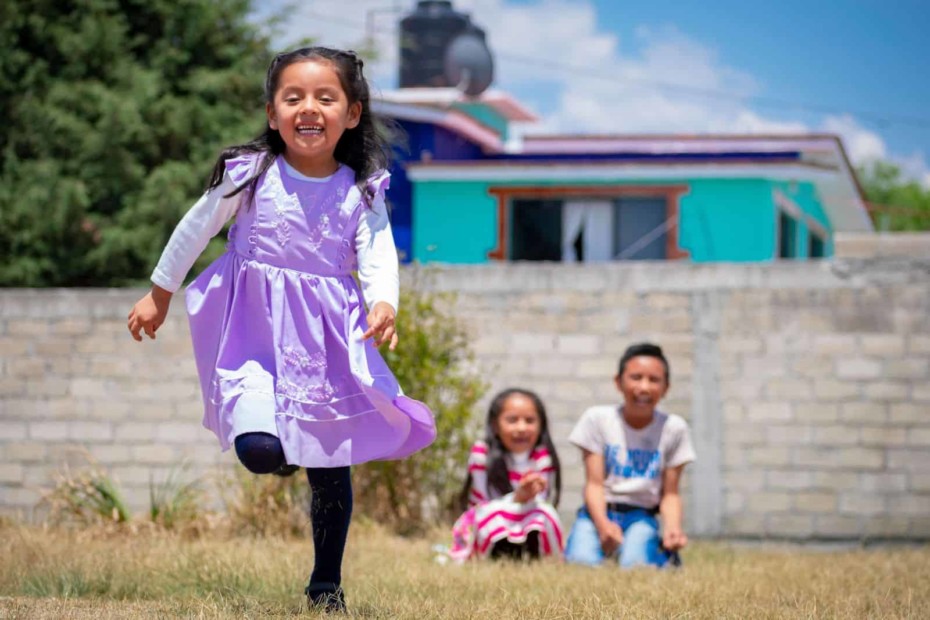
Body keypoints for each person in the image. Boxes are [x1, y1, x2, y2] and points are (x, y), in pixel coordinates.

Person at [126, 46, 436, 612]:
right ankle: (287, 451)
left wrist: (384, 303)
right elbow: (194, 230)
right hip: (254, 338)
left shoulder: (361, 189)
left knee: (330, 472)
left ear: (353, 113)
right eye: (293, 98)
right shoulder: (250, 174)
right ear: (273, 114)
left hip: (327, 347)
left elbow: (378, 254)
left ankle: (325, 586)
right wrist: (159, 293)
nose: (308, 108)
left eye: (325, 97)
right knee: (261, 449)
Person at [564, 343, 695, 569]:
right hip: (598, 512)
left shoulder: (674, 428)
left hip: (641, 515)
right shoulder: (597, 420)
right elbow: (594, 484)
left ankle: (660, 554)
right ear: (619, 382)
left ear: (666, 388)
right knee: (581, 564)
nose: (644, 387)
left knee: (635, 566)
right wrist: (603, 525)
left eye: (654, 380)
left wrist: (673, 529)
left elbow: (671, 493)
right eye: (636, 377)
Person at [449, 388, 565, 562]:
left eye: (529, 420)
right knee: (495, 517)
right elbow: (484, 505)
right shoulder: (482, 454)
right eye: (512, 420)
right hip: (486, 522)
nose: (521, 428)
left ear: (541, 425)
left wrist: (527, 497)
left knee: (547, 514)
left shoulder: (542, 457)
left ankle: (540, 558)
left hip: (525, 519)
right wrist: (517, 498)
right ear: (495, 425)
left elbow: (540, 502)